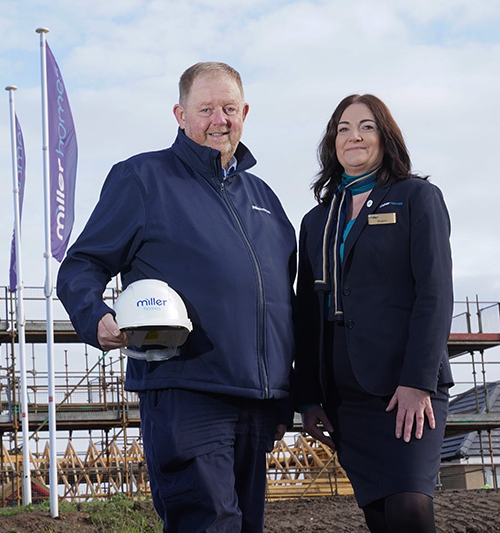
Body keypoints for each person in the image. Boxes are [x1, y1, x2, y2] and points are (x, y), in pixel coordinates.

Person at [56, 62, 296, 532]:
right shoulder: (143, 178)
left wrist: (285, 397)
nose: (218, 120)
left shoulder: (264, 197)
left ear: (244, 112)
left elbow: (282, 300)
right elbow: (82, 265)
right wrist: (97, 317)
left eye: (228, 108)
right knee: (209, 523)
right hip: (185, 390)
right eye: (205, 109)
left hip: (257, 402)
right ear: (180, 114)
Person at [294, 94, 453, 533]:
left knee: (410, 508)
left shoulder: (417, 198)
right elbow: (307, 312)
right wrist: (308, 396)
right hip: (345, 396)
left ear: (385, 136)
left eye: (366, 126)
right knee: (380, 516)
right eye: (343, 128)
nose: (354, 136)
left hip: (406, 387)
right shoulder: (316, 220)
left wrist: (417, 381)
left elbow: (435, 293)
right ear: (332, 142)